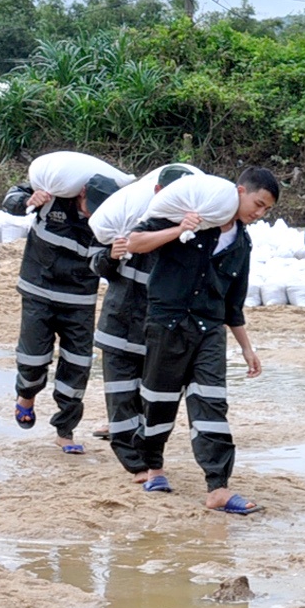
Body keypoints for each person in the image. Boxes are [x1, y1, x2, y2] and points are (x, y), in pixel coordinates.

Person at [123, 168, 279, 511]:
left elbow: (233, 303)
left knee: (211, 403)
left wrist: (247, 347)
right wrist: (180, 229)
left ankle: (218, 487)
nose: (259, 213)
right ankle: (153, 467)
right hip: (168, 323)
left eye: (267, 209)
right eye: (258, 203)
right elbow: (134, 243)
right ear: (238, 192)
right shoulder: (188, 219)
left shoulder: (242, 242)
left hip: (209, 331)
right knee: (159, 401)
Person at [94, 162, 197, 477]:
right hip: (120, 326)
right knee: (122, 398)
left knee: (150, 403)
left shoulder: (190, 239)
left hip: (158, 335)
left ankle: (146, 457)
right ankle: (136, 465)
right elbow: (100, 267)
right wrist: (110, 256)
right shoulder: (133, 226)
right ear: (157, 193)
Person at [11, 172, 115, 454]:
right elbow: (11, 201)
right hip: (39, 291)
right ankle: (27, 395)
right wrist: (28, 200)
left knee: (78, 365)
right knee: (33, 359)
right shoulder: (53, 196)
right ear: (81, 192)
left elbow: (108, 266)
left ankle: (65, 431)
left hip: (80, 299)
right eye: (88, 205)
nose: (91, 213)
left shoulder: (108, 220)